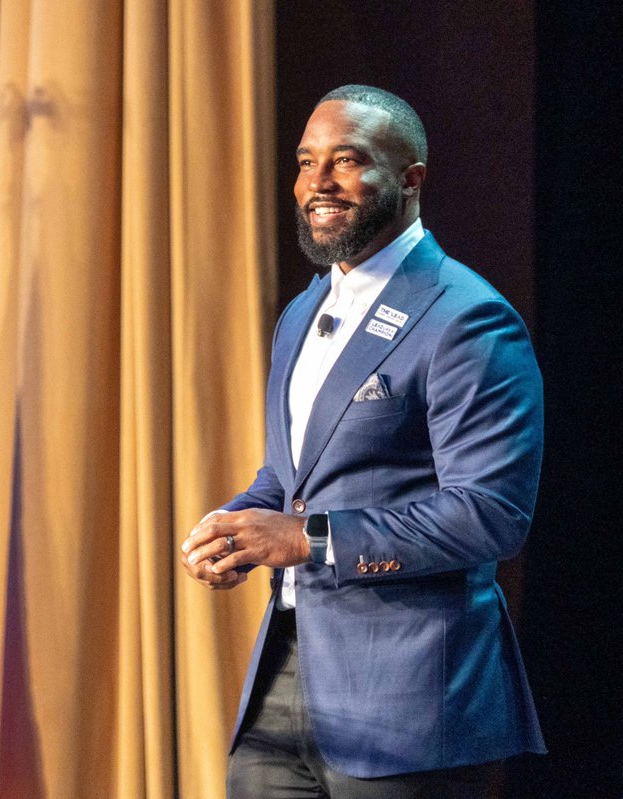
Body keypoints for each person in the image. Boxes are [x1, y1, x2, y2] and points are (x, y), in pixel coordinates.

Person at [180, 85, 545, 798]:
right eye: (306, 161)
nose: (318, 182)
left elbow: (489, 515)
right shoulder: (301, 312)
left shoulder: (467, 318)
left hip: (410, 698)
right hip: (286, 676)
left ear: (411, 178)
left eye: (346, 161)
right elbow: (292, 475)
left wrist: (308, 538)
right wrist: (236, 526)